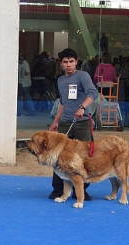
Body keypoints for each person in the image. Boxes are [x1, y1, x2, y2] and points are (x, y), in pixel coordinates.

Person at [48, 48, 99, 200]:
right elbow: (62, 103)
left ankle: (82, 190)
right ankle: (58, 189)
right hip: (65, 123)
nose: (68, 65)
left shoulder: (83, 76)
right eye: (65, 62)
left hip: (82, 123)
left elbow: (93, 93)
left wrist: (83, 107)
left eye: (71, 61)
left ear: (76, 62)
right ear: (61, 64)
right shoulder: (61, 80)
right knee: (59, 157)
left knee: (84, 157)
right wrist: (55, 122)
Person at [17, 52, 35, 117]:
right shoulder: (21, 63)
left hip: (24, 83)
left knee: (22, 98)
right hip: (22, 83)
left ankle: (19, 112)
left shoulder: (24, 63)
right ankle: (31, 110)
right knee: (25, 97)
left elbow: (27, 72)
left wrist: (22, 72)